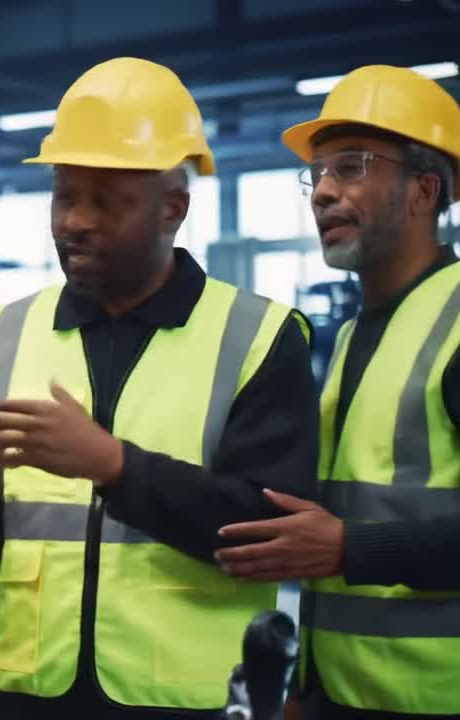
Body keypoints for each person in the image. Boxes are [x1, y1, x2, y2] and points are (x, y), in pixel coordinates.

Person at [0, 57, 319, 718]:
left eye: (106, 201)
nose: (75, 221)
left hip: (186, 701)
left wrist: (114, 466)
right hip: (31, 697)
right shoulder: (1, 333)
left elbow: (274, 535)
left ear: (173, 209)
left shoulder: (258, 338)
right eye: (63, 195)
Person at [216, 64, 460, 719]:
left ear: (423, 191)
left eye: (350, 167)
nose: (322, 192)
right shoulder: (356, 333)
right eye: (316, 174)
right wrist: (307, 688)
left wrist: (351, 549)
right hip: (345, 695)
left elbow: (339, 540)